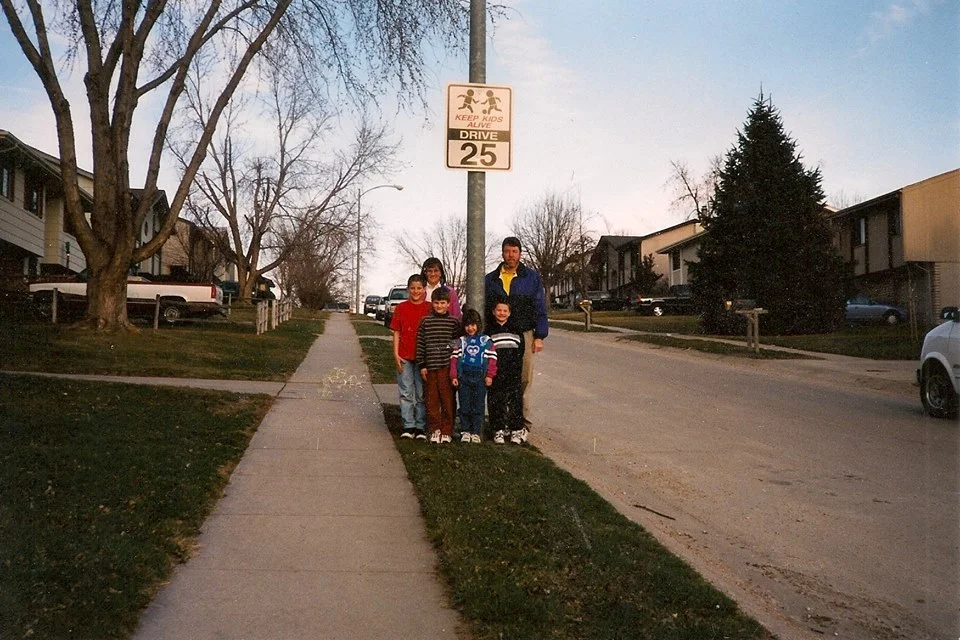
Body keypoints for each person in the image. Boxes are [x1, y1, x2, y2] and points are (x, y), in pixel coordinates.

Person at [484, 236, 548, 441]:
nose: (511, 255)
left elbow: (539, 307)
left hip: (524, 333)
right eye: (507, 251)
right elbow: (484, 308)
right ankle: (500, 424)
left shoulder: (531, 278)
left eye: (514, 251)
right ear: (502, 253)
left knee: (523, 379)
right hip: (497, 335)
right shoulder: (491, 279)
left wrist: (539, 336)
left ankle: (521, 423)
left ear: (520, 253)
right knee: (498, 379)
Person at [416, 287, 461, 444]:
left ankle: (447, 430)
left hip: (447, 367)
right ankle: (435, 429)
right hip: (430, 367)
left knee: (448, 400)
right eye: (436, 303)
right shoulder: (426, 321)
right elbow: (421, 344)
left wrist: (454, 366)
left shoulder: (454, 322)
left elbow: (456, 344)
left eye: (443, 303)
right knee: (432, 400)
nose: (439, 306)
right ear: (432, 303)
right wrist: (422, 365)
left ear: (448, 304)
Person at [390, 274, 431, 440]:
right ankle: (408, 425)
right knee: (406, 392)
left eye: (419, 288)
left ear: (424, 289)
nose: (416, 291)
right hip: (404, 356)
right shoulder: (401, 308)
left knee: (421, 394)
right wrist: (396, 354)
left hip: (422, 358)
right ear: (408, 289)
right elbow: (396, 332)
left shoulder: (429, 308)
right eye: (412, 288)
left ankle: (420, 427)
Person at [450, 308, 497, 443]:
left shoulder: (486, 341)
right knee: (464, 405)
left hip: (480, 378)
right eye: (467, 325)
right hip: (464, 377)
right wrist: (453, 376)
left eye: (473, 325)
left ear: (478, 325)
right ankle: (465, 430)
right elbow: (454, 358)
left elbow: (492, 360)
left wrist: (490, 375)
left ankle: (476, 431)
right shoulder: (460, 341)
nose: (470, 328)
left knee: (478, 405)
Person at [485, 298, 525, 444]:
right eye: (499, 310)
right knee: (496, 401)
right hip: (496, 373)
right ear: (493, 312)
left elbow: (521, 351)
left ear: (509, 313)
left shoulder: (516, 330)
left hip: (512, 372)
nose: (501, 313)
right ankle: (498, 429)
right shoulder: (489, 331)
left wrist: (516, 369)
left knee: (515, 401)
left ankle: (516, 429)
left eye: (505, 311)